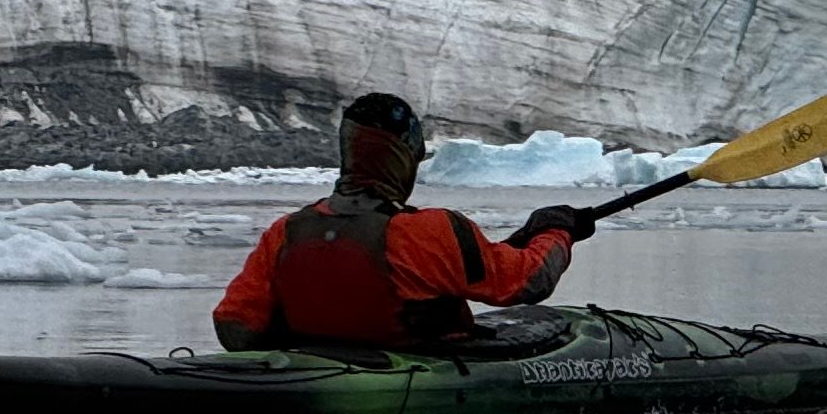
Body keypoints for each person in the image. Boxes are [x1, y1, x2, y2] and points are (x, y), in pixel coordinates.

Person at [213, 93, 590, 351]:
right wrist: (556, 230)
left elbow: (234, 325)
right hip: (416, 379)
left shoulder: (286, 232)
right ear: (405, 157)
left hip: (307, 380)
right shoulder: (428, 231)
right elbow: (528, 281)